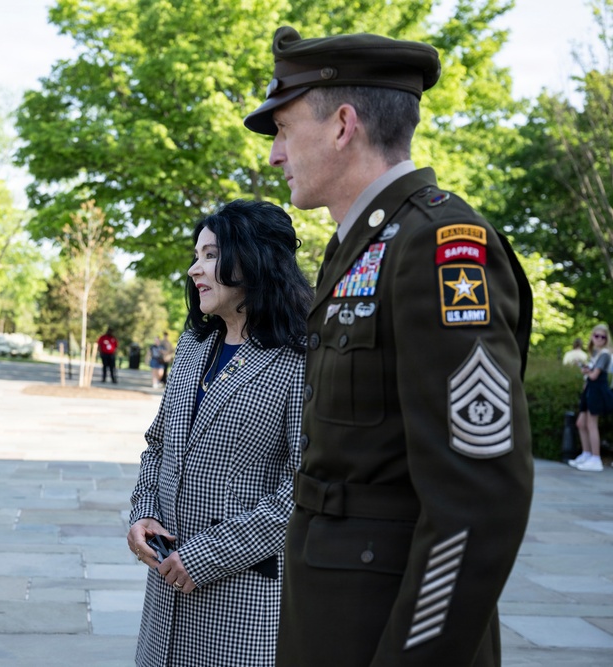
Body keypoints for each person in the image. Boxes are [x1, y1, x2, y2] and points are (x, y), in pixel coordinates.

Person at [244, 27, 534, 666]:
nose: (275, 155)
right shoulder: (359, 248)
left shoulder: (438, 247)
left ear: (343, 125)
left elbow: (477, 503)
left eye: (285, 130)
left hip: (388, 636)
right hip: (332, 618)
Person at [127, 199, 313, 667]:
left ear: (253, 259)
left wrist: (207, 556)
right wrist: (143, 512)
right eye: (196, 255)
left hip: (242, 599)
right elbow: (160, 444)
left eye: (210, 255)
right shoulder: (195, 344)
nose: (195, 269)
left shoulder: (302, 359)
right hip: (164, 594)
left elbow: (307, 485)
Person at [569, 324, 612, 472]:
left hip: (597, 391)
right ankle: (587, 454)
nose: (599, 339)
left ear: (606, 339)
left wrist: (586, 371)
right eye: (596, 336)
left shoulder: (605, 354)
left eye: (602, 337)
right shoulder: (595, 353)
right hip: (590, 390)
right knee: (581, 423)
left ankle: (595, 458)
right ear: (592, 337)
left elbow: (594, 375)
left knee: (591, 424)